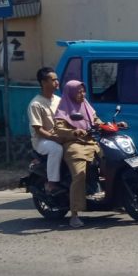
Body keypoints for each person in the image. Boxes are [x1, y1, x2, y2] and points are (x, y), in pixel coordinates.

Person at [53, 80, 104, 229]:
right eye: (79, 92)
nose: (82, 94)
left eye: (83, 91)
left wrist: (111, 125)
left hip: (91, 142)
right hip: (74, 144)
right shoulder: (64, 109)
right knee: (79, 175)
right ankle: (74, 214)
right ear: (71, 93)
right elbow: (59, 129)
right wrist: (73, 132)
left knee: (111, 161)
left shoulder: (86, 106)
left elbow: (96, 121)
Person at [28, 66, 62, 195]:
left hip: (58, 136)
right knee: (56, 148)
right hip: (42, 141)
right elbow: (38, 130)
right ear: (43, 82)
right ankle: (52, 183)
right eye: (53, 80)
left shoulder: (59, 100)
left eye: (57, 79)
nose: (57, 82)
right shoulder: (36, 104)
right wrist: (54, 138)